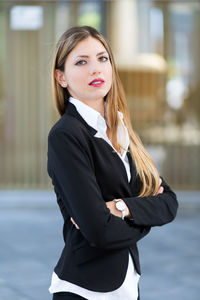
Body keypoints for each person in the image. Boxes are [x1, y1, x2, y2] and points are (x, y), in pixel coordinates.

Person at [47, 26, 178, 300]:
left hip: (127, 286)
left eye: (102, 58)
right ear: (61, 77)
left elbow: (169, 202)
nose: (95, 69)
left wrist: (121, 208)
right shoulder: (66, 135)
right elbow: (99, 231)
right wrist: (144, 213)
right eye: (81, 62)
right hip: (84, 289)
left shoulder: (121, 129)